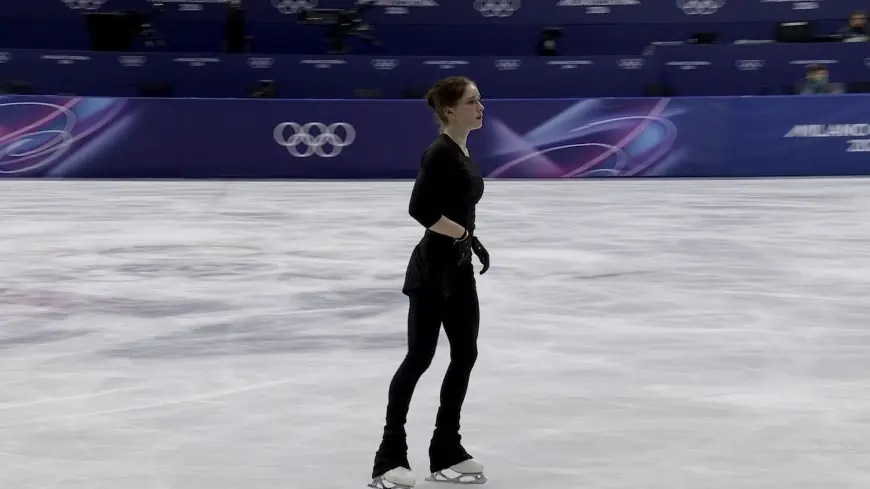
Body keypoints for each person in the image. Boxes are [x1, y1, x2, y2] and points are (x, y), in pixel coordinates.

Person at [369, 76, 490, 489]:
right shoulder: (439, 153)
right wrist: (461, 234)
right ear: (449, 111)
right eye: (473, 101)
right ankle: (388, 457)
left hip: (458, 269)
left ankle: (446, 449)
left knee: (465, 354)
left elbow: (455, 208)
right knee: (419, 357)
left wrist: (472, 241)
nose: (481, 107)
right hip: (432, 272)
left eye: (480, 100)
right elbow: (420, 209)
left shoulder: (462, 149)